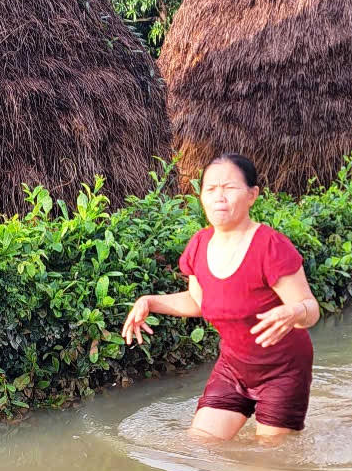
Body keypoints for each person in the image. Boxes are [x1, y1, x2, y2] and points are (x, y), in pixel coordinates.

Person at [122, 154, 321, 439]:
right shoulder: (199, 245)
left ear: (252, 195)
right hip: (233, 367)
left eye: (229, 188)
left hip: (283, 369)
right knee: (200, 445)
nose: (219, 197)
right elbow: (198, 302)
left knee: (270, 457)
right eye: (211, 189)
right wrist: (149, 302)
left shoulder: (271, 246)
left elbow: (311, 310)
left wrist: (295, 312)